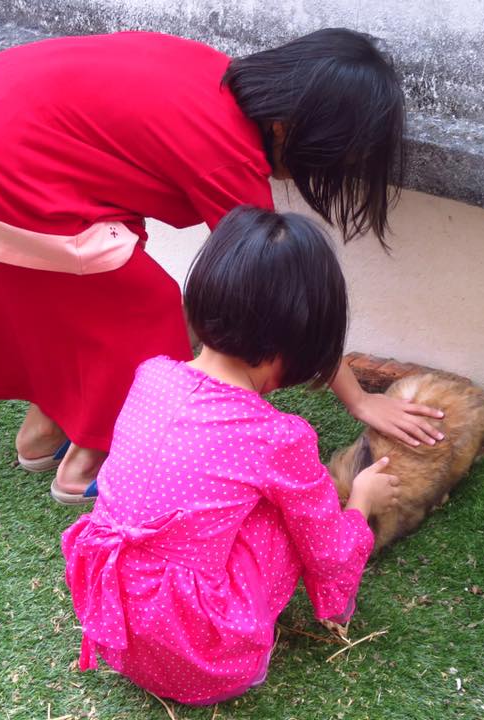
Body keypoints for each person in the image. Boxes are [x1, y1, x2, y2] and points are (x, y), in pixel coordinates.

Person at [0, 28, 444, 503]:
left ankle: (42, 434)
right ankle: (87, 465)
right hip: (4, 166)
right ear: (287, 127)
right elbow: (285, 293)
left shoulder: (213, 74)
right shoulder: (227, 152)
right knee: (145, 310)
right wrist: (360, 402)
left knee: (82, 299)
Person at [62, 207, 401, 704]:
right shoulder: (278, 436)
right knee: (291, 512)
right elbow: (325, 549)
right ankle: (241, 657)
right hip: (208, 661)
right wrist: (361, 501)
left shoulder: (151, 375)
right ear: (305, 340)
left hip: (115, 623)